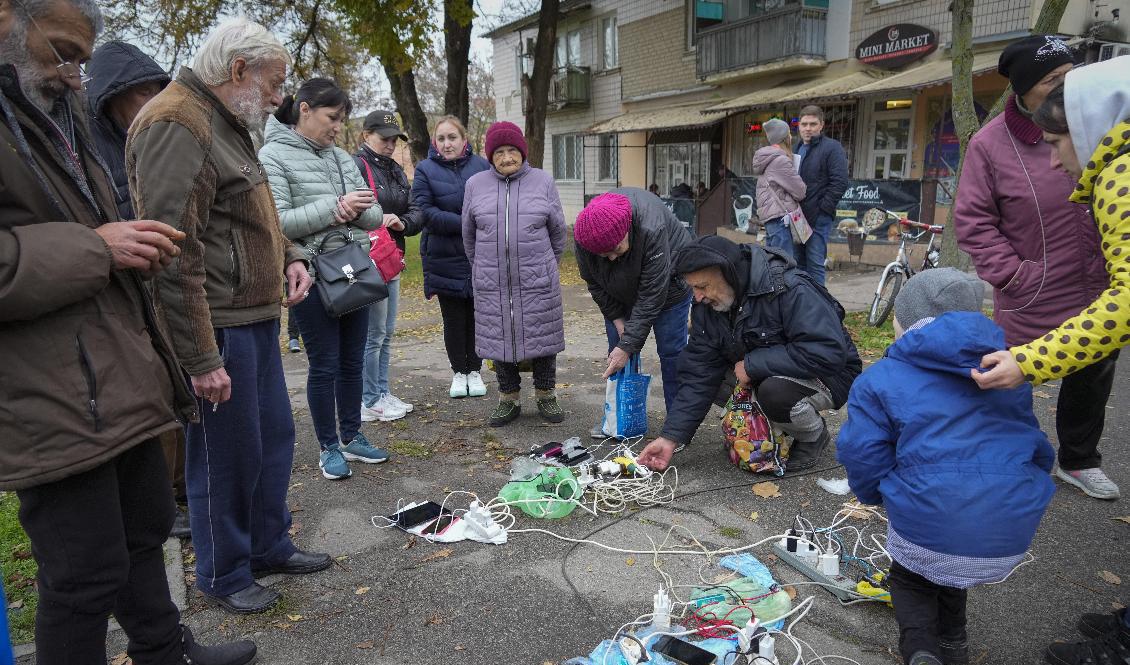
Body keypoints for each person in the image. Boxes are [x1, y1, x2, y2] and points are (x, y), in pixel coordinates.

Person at [1, 0, 255, 661]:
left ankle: (164, 649)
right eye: (63, 54)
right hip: (47, 395)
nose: (76, 76)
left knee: (145, 533)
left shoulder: (50, 112)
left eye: (83, 61)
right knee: (84, 575)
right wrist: (97, 248)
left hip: (116, 373)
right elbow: (85, 245)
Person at [128, 18, 331, 615]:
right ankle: (222, 571)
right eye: (275, 83)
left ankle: (268, 544)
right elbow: (171, 250)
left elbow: (251, 212)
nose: (280, 97)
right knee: (226, 452)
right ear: (238, 70)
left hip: (254, 314)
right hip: (217, 323)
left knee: (270, 439)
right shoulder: (178, 122)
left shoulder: (228, 122)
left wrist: (290, 256)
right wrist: (199, 356)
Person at [971, 56, 1130, 665]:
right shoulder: (1108, 165)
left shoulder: (1118, 174)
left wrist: (1031, 362)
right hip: (1045, 293)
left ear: (1091, 126)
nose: (1057, 157)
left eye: (1060, 139)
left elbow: (1126, 296)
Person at [837, 269, 1055, 665]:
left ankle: (921, 650)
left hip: (930, 518)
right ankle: (954, 644)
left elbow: (863, 452)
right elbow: (1037, 445)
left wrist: (875, 494)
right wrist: (1034, 482)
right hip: (1009, 528)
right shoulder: (1008, 372)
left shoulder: (883, 377)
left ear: (905, 323)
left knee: (912, 575)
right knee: (948, 561)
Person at [954, 36, 1115, 501]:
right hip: (1031, 289)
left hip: (1100, 285)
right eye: (1051, 79)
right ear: (1023, 91)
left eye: (1070, 71)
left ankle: (1079, 460)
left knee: (1092, 376)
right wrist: (1015, 275)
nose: (1067, 82)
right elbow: (973, 222)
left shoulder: (1101, 122)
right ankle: (1001, 461)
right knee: (1007, 380)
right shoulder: (989, 145)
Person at [85, 40, 194, 539]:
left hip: (157, 278)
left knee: (174, 384)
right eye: (141, 92)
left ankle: (179, 490)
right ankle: (163, 502)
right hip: (111, 290)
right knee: (150, 391)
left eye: (157, 89)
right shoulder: (89, 142)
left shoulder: (151, 134)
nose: (151, 100)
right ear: (112, 95)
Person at [637, 236, 861, 472]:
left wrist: (753, 365)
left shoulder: (789, 288)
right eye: (693, 288)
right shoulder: (710, 305)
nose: (697, 297)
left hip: (830, 375)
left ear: (728, 273)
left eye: (702, 286)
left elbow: (826, 352)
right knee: (711, 377)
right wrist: (671, 438)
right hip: (774, 372)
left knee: (774, 392)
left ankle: (812, 434)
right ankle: (772, 428)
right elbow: (699, 372)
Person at [259, 78, 389, 480]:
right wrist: (336, 208)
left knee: (352, 359)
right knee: (325, 364)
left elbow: (372, 213)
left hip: (353, 270)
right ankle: (328, 446)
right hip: (311, 275)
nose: (337, 127)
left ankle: (352, 436)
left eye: (342, 119)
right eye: (332, 117)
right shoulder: (272, 156)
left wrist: (357, 208)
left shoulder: (340, 157)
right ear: (304, 109)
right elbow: (276, 221)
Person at [463, 121, 567, 426]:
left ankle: (546, 395)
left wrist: (544, 264)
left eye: (512, 150)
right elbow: (468, 235)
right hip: (491, 280)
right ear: (490, 156)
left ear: (522, 152)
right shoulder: (475, 185)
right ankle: (508, 398)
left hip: (537, 277)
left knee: (543, 336)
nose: (506, 157)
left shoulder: (543, 181)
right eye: (499, 152)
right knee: (499, 339)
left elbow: (558, 233)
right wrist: (483, 266)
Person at [573, 188, 693, 434]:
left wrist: (629, 343)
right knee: (617, 356)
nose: (612, 257)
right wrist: (618, 320)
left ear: (626, 229)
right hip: (619, 293)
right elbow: (594, 283)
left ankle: (677, 428)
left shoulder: (651, 228)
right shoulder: (585, 238)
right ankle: (620, 421)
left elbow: (652, 294)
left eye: (616, 249)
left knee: (672, 354)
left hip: (669, 288)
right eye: (603, 255)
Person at [411, 115, 490, 398]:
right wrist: (467, 223)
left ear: (464, 139)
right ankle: (459, 372)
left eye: (452, 137)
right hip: (444, 258)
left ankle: (475, 370)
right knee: (454, 319)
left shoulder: (482, 166)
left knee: (479, 318)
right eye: (441, 138)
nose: (447, 144)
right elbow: (424, 211)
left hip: (479, 258)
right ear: (435, 141)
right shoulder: (425, 169)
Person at [354, 109, 422, 422]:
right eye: (384, 138)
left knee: (387, 332)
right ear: (366, 135)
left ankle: (381, 392)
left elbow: (414, 210)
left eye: (394, 139)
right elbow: (351, 211)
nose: (390, 144)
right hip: (368, 261)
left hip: (392, 257)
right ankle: (369, 399)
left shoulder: (395, 169)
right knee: (374, 334)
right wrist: (376, 218)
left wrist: (401, 222)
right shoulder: (356, 165)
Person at [795, 104, 849, 285]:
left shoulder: (832, 148)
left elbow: (840, 182)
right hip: (797, 218)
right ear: (799, 126)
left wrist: (823, 210)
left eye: (813, 124)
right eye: (804, 124)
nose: (808, 128)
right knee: (798, 264)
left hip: (818, 218)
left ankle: (820, 307)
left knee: (815, 264)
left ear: (822, 125)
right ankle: (802, 304)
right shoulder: (796, 148)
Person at [753, 117, 806, 260]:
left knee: (773, 261)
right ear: (784, 137)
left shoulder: (767, 158)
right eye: (789, 133)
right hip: (781, 219)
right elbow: (800, 191)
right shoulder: (780, 160)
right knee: (783, 264)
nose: (791, 136)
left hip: (771, 219)